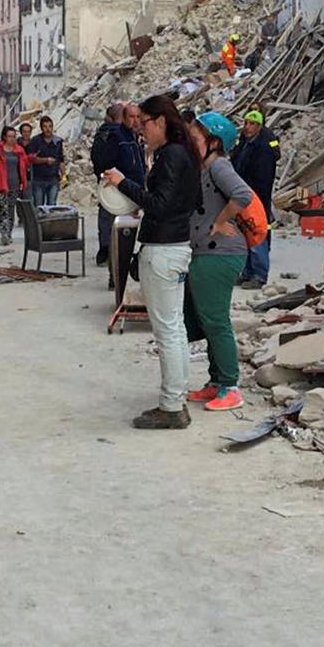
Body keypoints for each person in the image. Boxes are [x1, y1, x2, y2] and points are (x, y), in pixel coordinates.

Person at [103, 95, 201, 429]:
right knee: (174, 328)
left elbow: (159, 204)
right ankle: (176, 399)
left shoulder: (171, 154)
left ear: (160, 121)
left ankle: (172, 406)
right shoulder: (183, 153)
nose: (139, 130)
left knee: (167, 331)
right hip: (175, 246)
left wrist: (124, 184)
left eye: (143, 122)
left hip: (163, 249)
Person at [183, 111, 253, 412]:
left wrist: (221, 220)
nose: (190, 142)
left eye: (195, 138)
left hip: (220, 253)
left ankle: (230, 386)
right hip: (207, 252)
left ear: (213, 142)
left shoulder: (219, 165)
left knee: (216, 320)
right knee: (206, 321)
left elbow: (242, 195)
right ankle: (216, 382)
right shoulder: (205, 167)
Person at [231, 110, 278, 289]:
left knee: (257, 234)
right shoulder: (245, 143)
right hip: (244, 195)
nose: (247, 127)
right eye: (246, 123)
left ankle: (259, 274)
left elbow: (264, 177)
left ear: (259, 126)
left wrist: (254, 197)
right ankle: (247, 272)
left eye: (252, 124)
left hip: (256, 197)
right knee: (245, 234)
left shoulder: (264, 147)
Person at [91, 102, 125, 265]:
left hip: (104, 180)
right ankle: (118, 252)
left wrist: (101, 174)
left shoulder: (100, 134)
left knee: (105, 216)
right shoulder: (123, 135)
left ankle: (104, 250)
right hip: (122, 181)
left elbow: (95, 158)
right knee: (122, 217)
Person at [0, 126, 29, 246]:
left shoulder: (19, 150)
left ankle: (9, 233)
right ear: (4, 137)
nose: (12, 139)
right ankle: (4, 234)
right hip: (0, 184)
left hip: (14, 184)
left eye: (13, 136)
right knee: (3, 209)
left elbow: (24, 164)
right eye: (9, 136)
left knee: (11, 209)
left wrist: (23, 182)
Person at [27, 116, 63, 207]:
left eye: (50, 126)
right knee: (39, 207)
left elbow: (61, 159)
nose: (48, 129)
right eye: (45, 126)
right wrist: (45, 160)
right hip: (38, 179)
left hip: (53, 179)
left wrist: (64, 175)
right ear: (41, 128)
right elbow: (31, 159)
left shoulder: (58, 141)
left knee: (52, 206)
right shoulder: (35, 141)